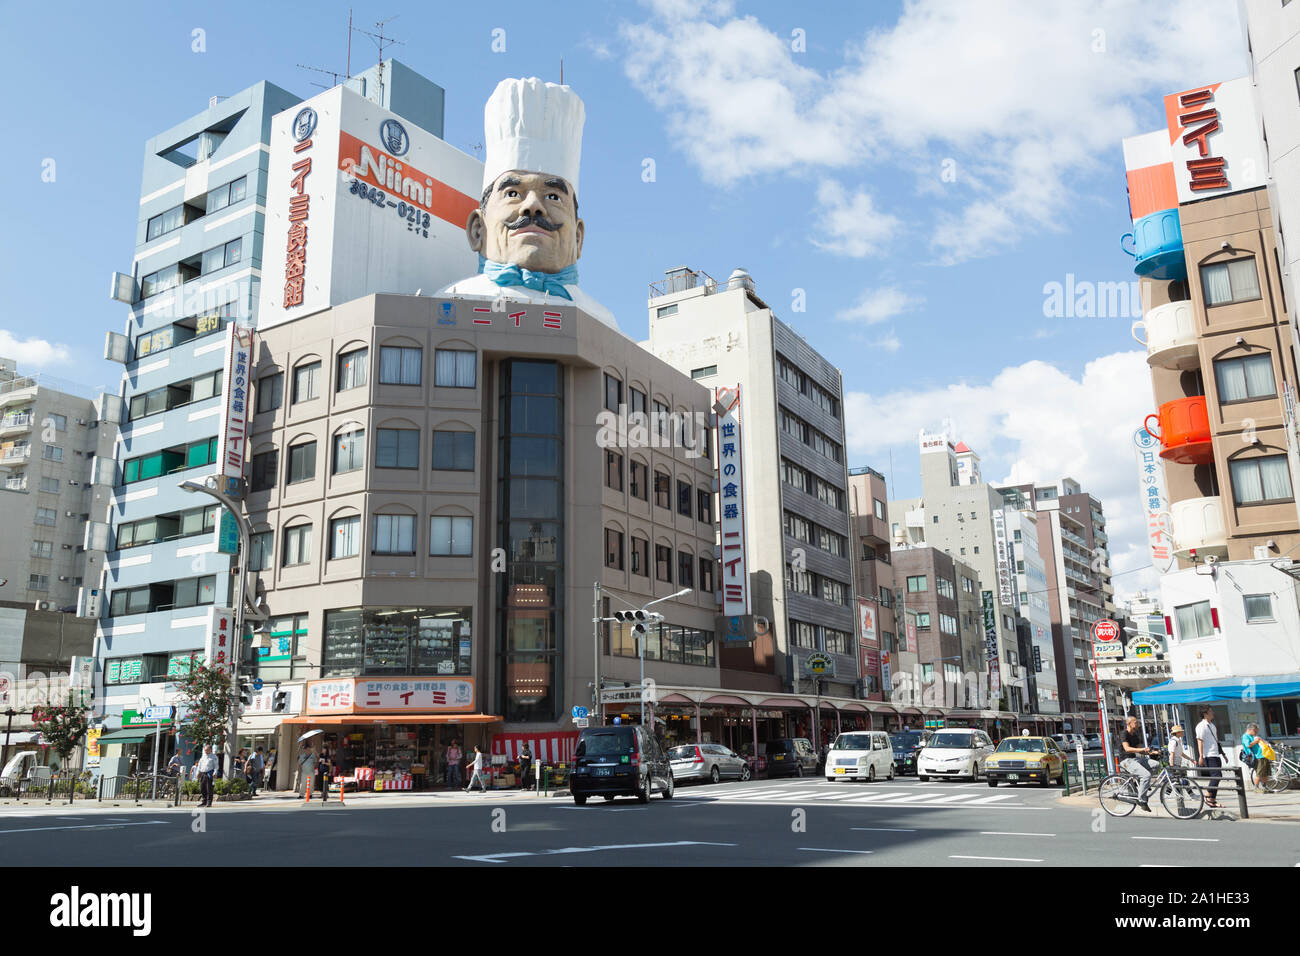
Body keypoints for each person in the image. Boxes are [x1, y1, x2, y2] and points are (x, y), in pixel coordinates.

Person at [438, 78, 622, 333]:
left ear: (579, 237)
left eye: (554, 197)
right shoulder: (450, 304)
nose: (533, 207)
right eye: (514, 192)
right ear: (477, 229)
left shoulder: (601, 322)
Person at [1120, 715, 1160, 812]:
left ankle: (1140, 782)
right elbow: (1127, 749)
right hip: (1126, 760)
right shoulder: (1124, 734)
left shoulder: (1135, 735)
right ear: (1129, 723)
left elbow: (1140, 751)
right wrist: (1142, 749)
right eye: (1135, 722)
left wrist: (1151, 752)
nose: (1137, 724)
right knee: (1146, 775)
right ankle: (1141, 800)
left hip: (1135, 760)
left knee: (1156, 764)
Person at [1194, 706, 1222, 809]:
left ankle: (1212, 800)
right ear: (1205, 714)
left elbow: (1215, 740)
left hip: (1215, 754)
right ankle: (1207, 795)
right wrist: (1201, 756)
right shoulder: (1201, 726)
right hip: (1208, 755)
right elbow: (1199, 740)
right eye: (1210, 711)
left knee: (1218, 776)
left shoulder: (1212, 725)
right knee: (1217, 775)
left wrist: (1222, 753)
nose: (1212, 712)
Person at [1242, 722, 1274, 790]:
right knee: (1259, 773)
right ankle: (1256, 788)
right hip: (1258, 757)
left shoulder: (1253, 736)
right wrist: (1256, 741)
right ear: (1251, 729)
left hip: (1263, 755)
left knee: (1265, 773)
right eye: (1255, 731)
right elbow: (1248, 745)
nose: (1256, 733)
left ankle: (1265, 787)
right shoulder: (1245, 736)